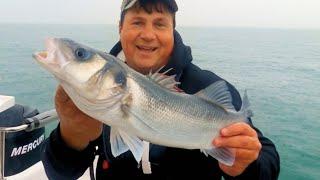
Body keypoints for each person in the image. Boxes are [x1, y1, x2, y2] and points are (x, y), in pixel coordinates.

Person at [41, 0, 280, 179]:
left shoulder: (206, 85)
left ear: (172, 32)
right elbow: (60, 174)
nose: (147, 35)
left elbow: (267, 159)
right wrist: (72, 135)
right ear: (120, 28)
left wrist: (247, 166)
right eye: (137, 22)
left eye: (160, 24)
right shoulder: (94, 93)